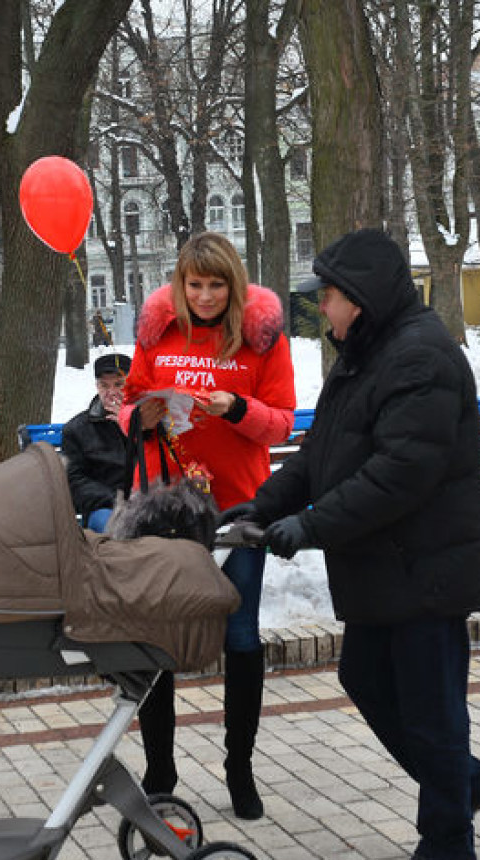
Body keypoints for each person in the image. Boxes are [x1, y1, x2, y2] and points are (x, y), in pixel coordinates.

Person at [224, 228, 480, 860]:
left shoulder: (420, 358)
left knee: (431, 707)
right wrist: (260, 507)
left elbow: (400, 474)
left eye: (329, 294)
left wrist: (311, 526)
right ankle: (464, 781)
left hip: (426, 566)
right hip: (387, 568)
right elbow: (321, 455)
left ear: (364, 296)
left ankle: (448, 840)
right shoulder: (365, 355)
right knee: (368, 678)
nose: (322, 306)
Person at [122, 231, 295, 820]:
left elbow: (281, 424)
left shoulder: (260, 339)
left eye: (216, 285)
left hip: (239, 505)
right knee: (161, 638)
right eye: (194, 285)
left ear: (235, 285)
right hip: (169, 506)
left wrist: (235, 408)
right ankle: (160, 770)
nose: (204, 297)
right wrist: (139, 412)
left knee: (240, 636)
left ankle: (239, 767)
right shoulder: (158, 332)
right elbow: (129, 405)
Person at [62, 352, 133, 532]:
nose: (111, 393)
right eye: (104, 385)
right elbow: (74, 482)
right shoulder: (77, 429)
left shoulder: (149, 424)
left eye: (119, 384)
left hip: (147, 502)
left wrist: (130, 429)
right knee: (115, 527)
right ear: (97, 387)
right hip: (105, 506)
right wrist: (114, 499)